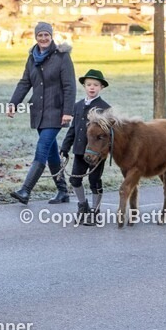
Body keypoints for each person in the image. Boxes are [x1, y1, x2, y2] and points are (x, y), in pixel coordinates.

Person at [7, 22, 75, 204]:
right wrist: (14, 103)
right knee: (52, 153)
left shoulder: (62, 56)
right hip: (38, 112)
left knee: (42, 148)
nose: (43, 38)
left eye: (46, 35)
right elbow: (25, 82)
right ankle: (63, 192)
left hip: (57, 112)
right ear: (35, 37)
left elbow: (70, 86)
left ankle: (25, 190)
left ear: (51, 36)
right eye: (40, 35)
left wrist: (68, 112)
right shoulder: (32, 58)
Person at [60, 69, 110, 224]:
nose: (92, 87)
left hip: (96, 153)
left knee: (95, 181)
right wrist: (65, 147)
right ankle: (83, 206)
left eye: (96, 84)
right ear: (84, 86)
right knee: (75, 179)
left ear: (101, 87)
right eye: (89, 84)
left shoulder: (105, 107)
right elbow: (73, 128)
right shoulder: (77, 105)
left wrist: (105, 151)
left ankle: (96, 211)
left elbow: (108, 134)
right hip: (80, 150)